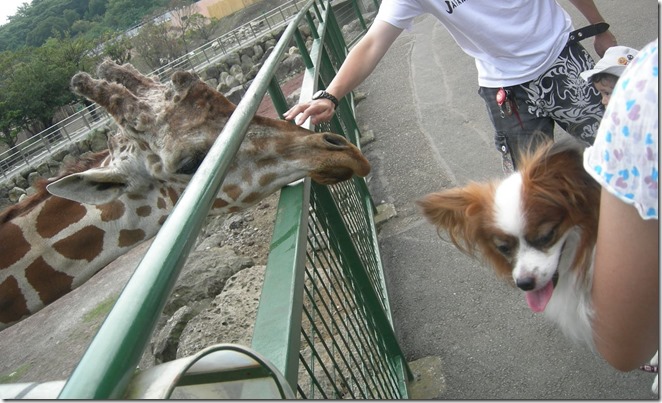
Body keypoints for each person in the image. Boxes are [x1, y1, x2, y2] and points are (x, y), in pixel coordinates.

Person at [283, 0, 617, 173]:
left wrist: (599, 27)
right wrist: (331, 94)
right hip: (506, 91)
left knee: (620, 147)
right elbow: (372, 42)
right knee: (531, 187)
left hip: (561, 60)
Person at [583, 39, 658, 372]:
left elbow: (621, 349)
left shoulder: (644, 99)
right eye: (600, 94)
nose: (605, 101)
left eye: (611, 91)